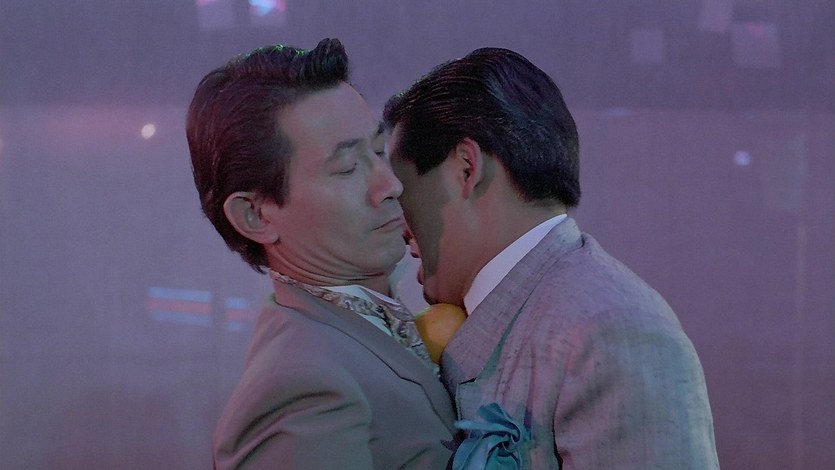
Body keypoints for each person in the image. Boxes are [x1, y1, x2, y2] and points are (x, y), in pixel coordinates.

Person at [383, 47, 720, 468]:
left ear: (466, 168)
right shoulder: (534, 313)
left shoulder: (612, 328)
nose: (400, 224)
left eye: (403, 191)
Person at [186, 38, 457, 469]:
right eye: (347, 168)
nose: (390, 185)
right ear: (255, 215)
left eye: (378, 151)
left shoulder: (351, 333)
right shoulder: (299, 387)